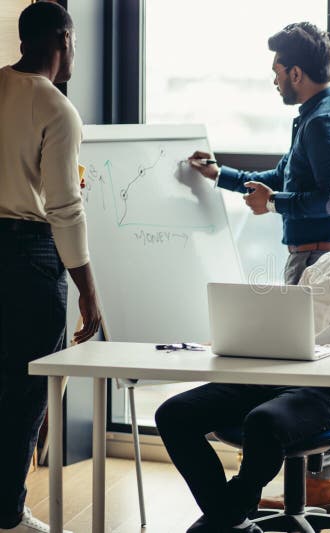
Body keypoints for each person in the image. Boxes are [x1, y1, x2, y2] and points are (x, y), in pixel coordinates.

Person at [155, 172, 330, 533]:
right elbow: (289, 322)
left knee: (263, 421)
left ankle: (227, 515)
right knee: (175, 413)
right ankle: (234, 521)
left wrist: (314, 352)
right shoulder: (325, 263)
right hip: (277, 375)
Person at [188, 21, 330, 507]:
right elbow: (281, 178)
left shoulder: (324, 120)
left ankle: (318, 481)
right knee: (314, 364)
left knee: (304, 370)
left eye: (277, 71)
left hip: (320, 256)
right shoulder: (315, 114)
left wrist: (277, 204)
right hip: (318, 253)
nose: (273, 79)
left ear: (296, 71)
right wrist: (222, 174)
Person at [0, 3, 102, 533]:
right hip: (29, 255)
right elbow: (64, 208)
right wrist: (87, 289)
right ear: (63, 39)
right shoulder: (57, 108)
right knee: (27, 387)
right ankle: (7, 512)